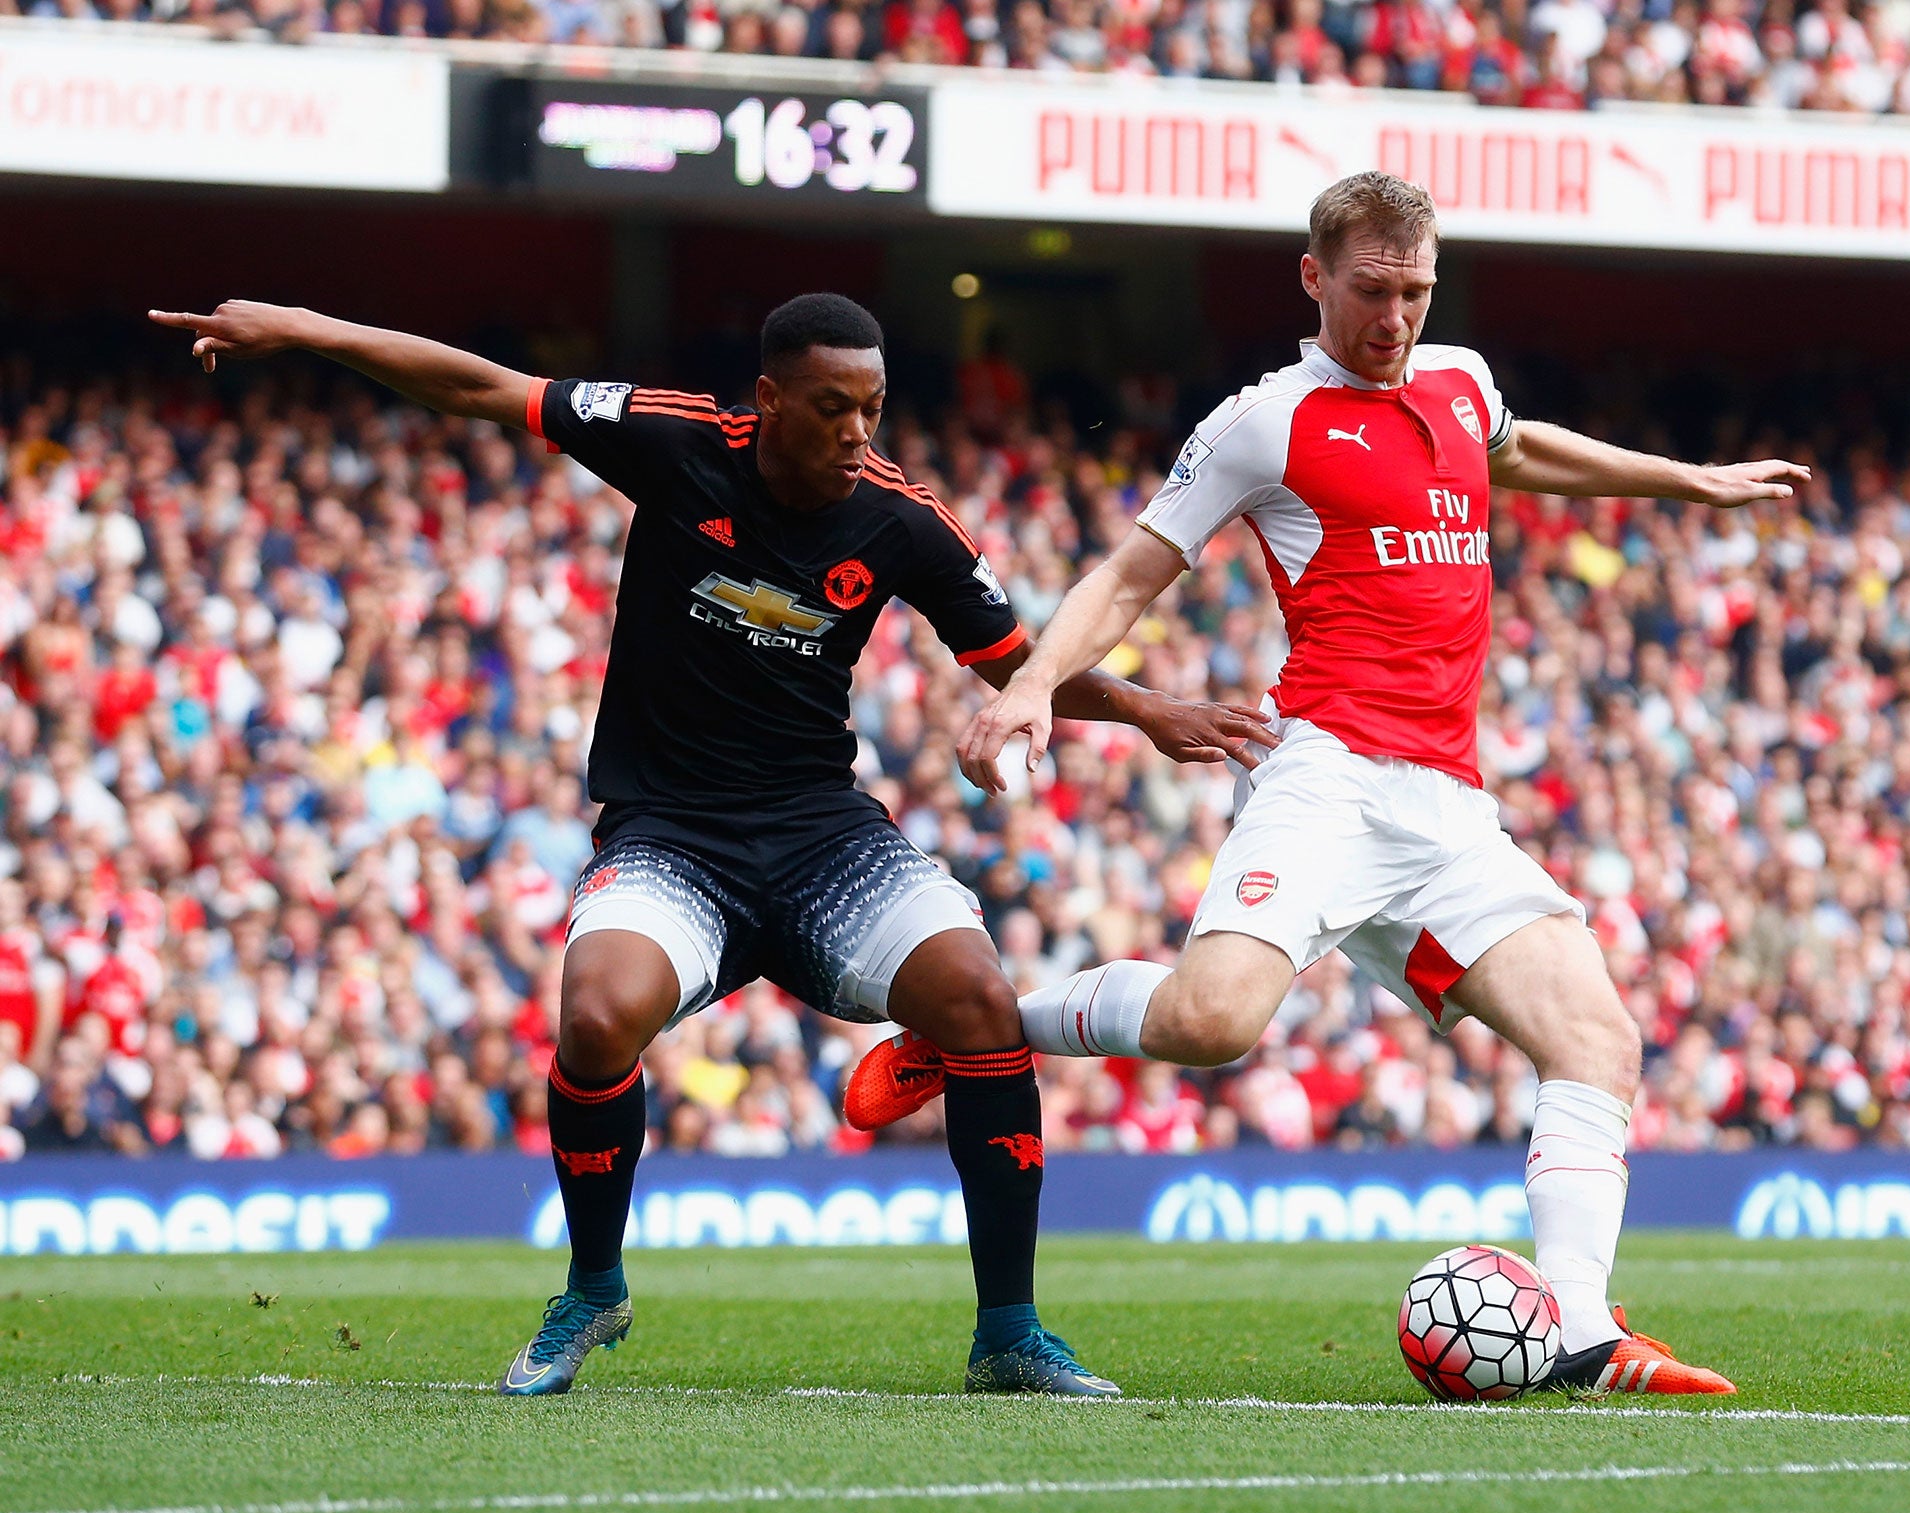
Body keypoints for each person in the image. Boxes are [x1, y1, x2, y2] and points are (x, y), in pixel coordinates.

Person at [151, 293, 1274, 1397]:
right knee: (595, 1018)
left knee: (978, 1002)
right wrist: (301, 328)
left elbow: (1012, 658)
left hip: (818, 834)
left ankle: (1010, 1335)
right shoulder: (677, 441)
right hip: (671, 836)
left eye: (872, 408)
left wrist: (1141, 709)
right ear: (770, 398)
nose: (856, 434)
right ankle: (593, 1288)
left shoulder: (898, 518)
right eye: (831, 407)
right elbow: (482, 388)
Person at [855, 171, 1810, 1395]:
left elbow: (1513, 453)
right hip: (1327, 781)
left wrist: (1690, 480)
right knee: (1211, 1025)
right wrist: (1035, 681)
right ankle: (973, 1027)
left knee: (1596, 1038)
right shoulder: (1266, 421)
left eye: (1414, 292)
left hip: (1447, 807)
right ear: (1313, 278)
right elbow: (1131, 575)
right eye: (1371, 291)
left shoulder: (1459, 380)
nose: (1394, 318)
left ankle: (1578, 1331)